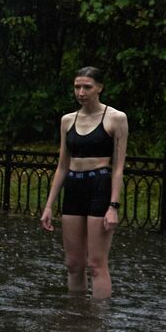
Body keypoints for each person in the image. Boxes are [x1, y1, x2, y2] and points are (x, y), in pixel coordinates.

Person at [40, 66, 129, 299]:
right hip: (74, 186)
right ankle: (76, 315)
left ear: (99, 88)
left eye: (87, 87)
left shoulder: (116, 118)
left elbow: (118, 167)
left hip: (99, 185)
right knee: (73, 263)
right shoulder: (67, 120)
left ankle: (99, 318)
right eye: (77, 86)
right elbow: (62, 165)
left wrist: (113, 206)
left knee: (96, 264)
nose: (81, 92)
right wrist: (49, 205)